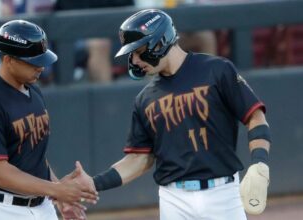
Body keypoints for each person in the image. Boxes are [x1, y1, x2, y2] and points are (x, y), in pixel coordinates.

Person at [75, 9, 272, 219]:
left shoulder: (217, 70)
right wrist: (95, 183)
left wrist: (259, 164)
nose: (134, 60)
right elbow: (139, 159)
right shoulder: (145, 98)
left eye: (138, 51)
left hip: (222, 194)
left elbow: (255, 116)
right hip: (174, 199)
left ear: (159, 43)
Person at [0, 20, 98, 220]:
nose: (41, 67)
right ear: (8, 60)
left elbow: (33, 155)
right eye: (33, 61)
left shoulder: (33, 90)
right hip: (0, 209)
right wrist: (56, 190)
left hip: (42, 206)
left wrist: (59, 194)